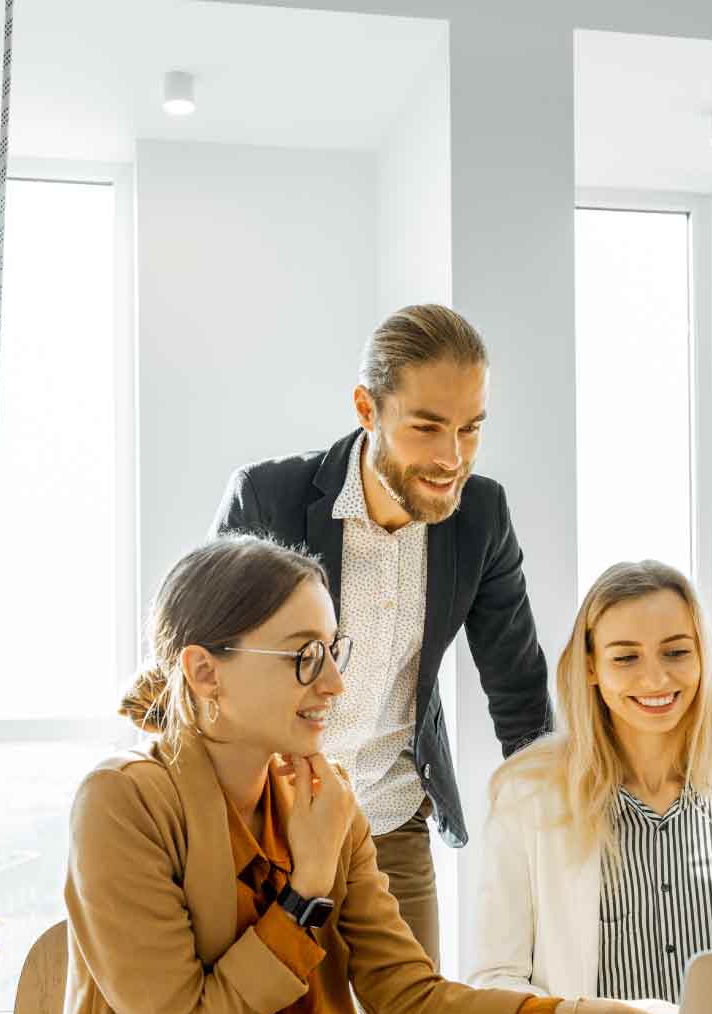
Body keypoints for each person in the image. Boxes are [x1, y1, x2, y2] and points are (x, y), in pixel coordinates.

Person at [57, 534, 669, 1014]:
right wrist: (306, 891)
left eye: (332, 651)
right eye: (303, 655)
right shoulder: (122, 802)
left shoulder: (329, 801)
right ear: (204, 671)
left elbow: (411, 1004)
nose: (334, 684)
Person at [211, 304, 551, 966]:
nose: (452, 458)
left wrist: (561, 839)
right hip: (264, 822)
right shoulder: (267, 499)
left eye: (471, 429)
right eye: (426, 427)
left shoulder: (482, 517)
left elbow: (521, 694)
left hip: (391, 820)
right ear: (368, 408)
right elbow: (197, 674)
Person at [469, 561, 712, 1008]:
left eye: (676, 652)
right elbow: (497, 978)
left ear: (702, 656)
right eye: (625, 657)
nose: (656, 678)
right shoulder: (527, 793)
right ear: (590, 667)